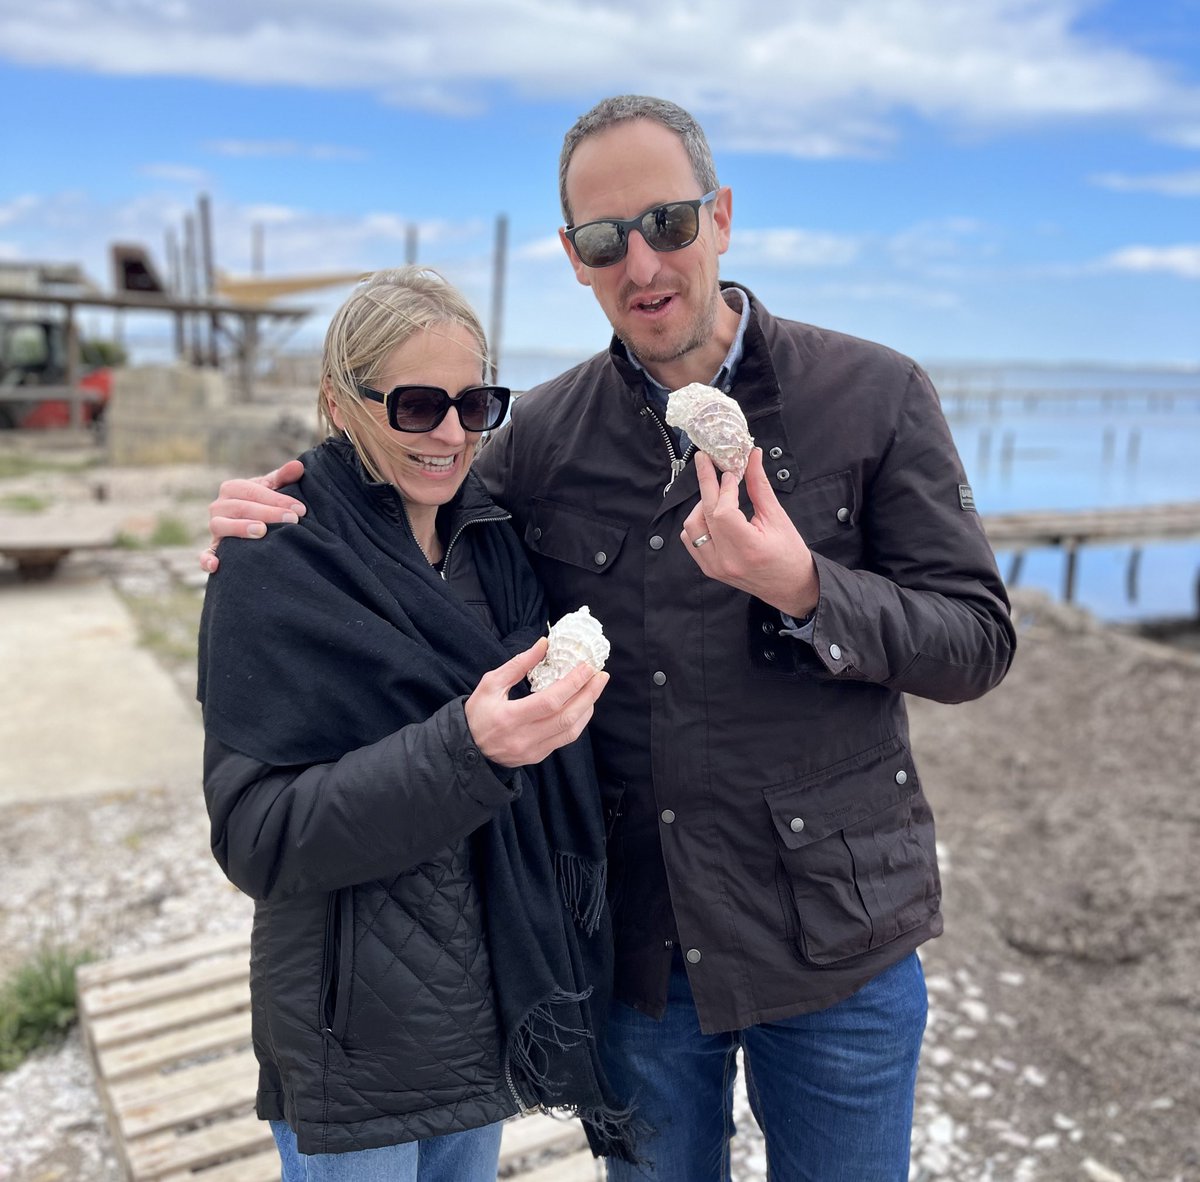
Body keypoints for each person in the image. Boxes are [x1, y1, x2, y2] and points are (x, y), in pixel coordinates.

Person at [205, 97, 1017, 1180]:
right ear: (574, 259)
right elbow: (408, 487)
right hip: (638, 958)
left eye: (669, 223)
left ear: (721, 217)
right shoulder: (534, 436)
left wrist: (806, 585)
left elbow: (976, 640)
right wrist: (271, 516)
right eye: (604, 240)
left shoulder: (873, 397)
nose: (642, 260)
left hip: (841, 946)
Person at [197, 265, 639, 1182]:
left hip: (487, 1019)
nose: (449, 434)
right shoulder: (277, 565)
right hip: (353, 1047)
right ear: (338, 401)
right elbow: (256, 837)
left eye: (475, 404)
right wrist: (469, 750)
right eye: (415, 406)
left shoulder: (494, 547)